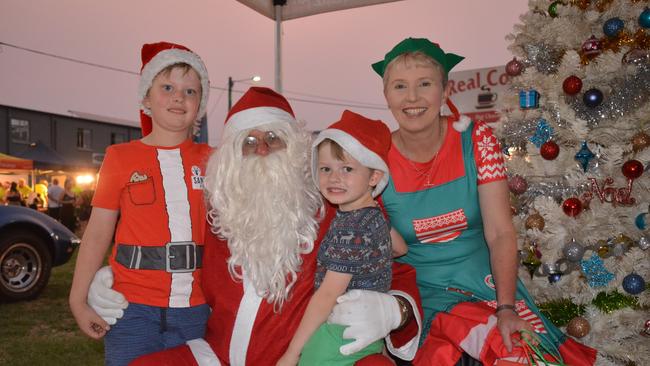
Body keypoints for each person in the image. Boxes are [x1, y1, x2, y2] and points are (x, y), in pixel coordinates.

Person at [88, 87, 424, 365]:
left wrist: (396, 309)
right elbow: (164, 241)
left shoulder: (336, 205)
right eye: (249, 143)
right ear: (233, 156)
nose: (262, 149)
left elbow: (397, 266)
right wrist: (118, 277)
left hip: (301, 357)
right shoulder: (217, 212)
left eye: (273, 139)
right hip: (218, 355)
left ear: (295, 149)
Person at [372, 37, 597, 365]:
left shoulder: (477, 140)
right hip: (420, 297)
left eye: (425, 84)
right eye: (400, 86)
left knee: (520, 352)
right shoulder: (376, 158)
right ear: (386, 96)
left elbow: (500, 233)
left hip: (486, 285)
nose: (412, 98)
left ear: (445, 91)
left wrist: (505, 307)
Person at [69, 41, 212, 366]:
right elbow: (97, 234)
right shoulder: (120, 158)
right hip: (131, 308)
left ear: (201, 104)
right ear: (146, 97)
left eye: (190, 91)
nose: (179, 97)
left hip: (196, 309)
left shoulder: (215, 161)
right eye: (167, 87)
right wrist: (78, 300)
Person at [278, 110, 409, 366]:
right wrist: (371, 263)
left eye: (347, 168)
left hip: (339, 334)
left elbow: (328, 294)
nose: (334, 178)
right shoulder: (373, 214)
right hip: (370, 333)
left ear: (374, 176)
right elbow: (400, 247)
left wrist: (292, 353)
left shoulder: (351, 228)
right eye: (326, 168)